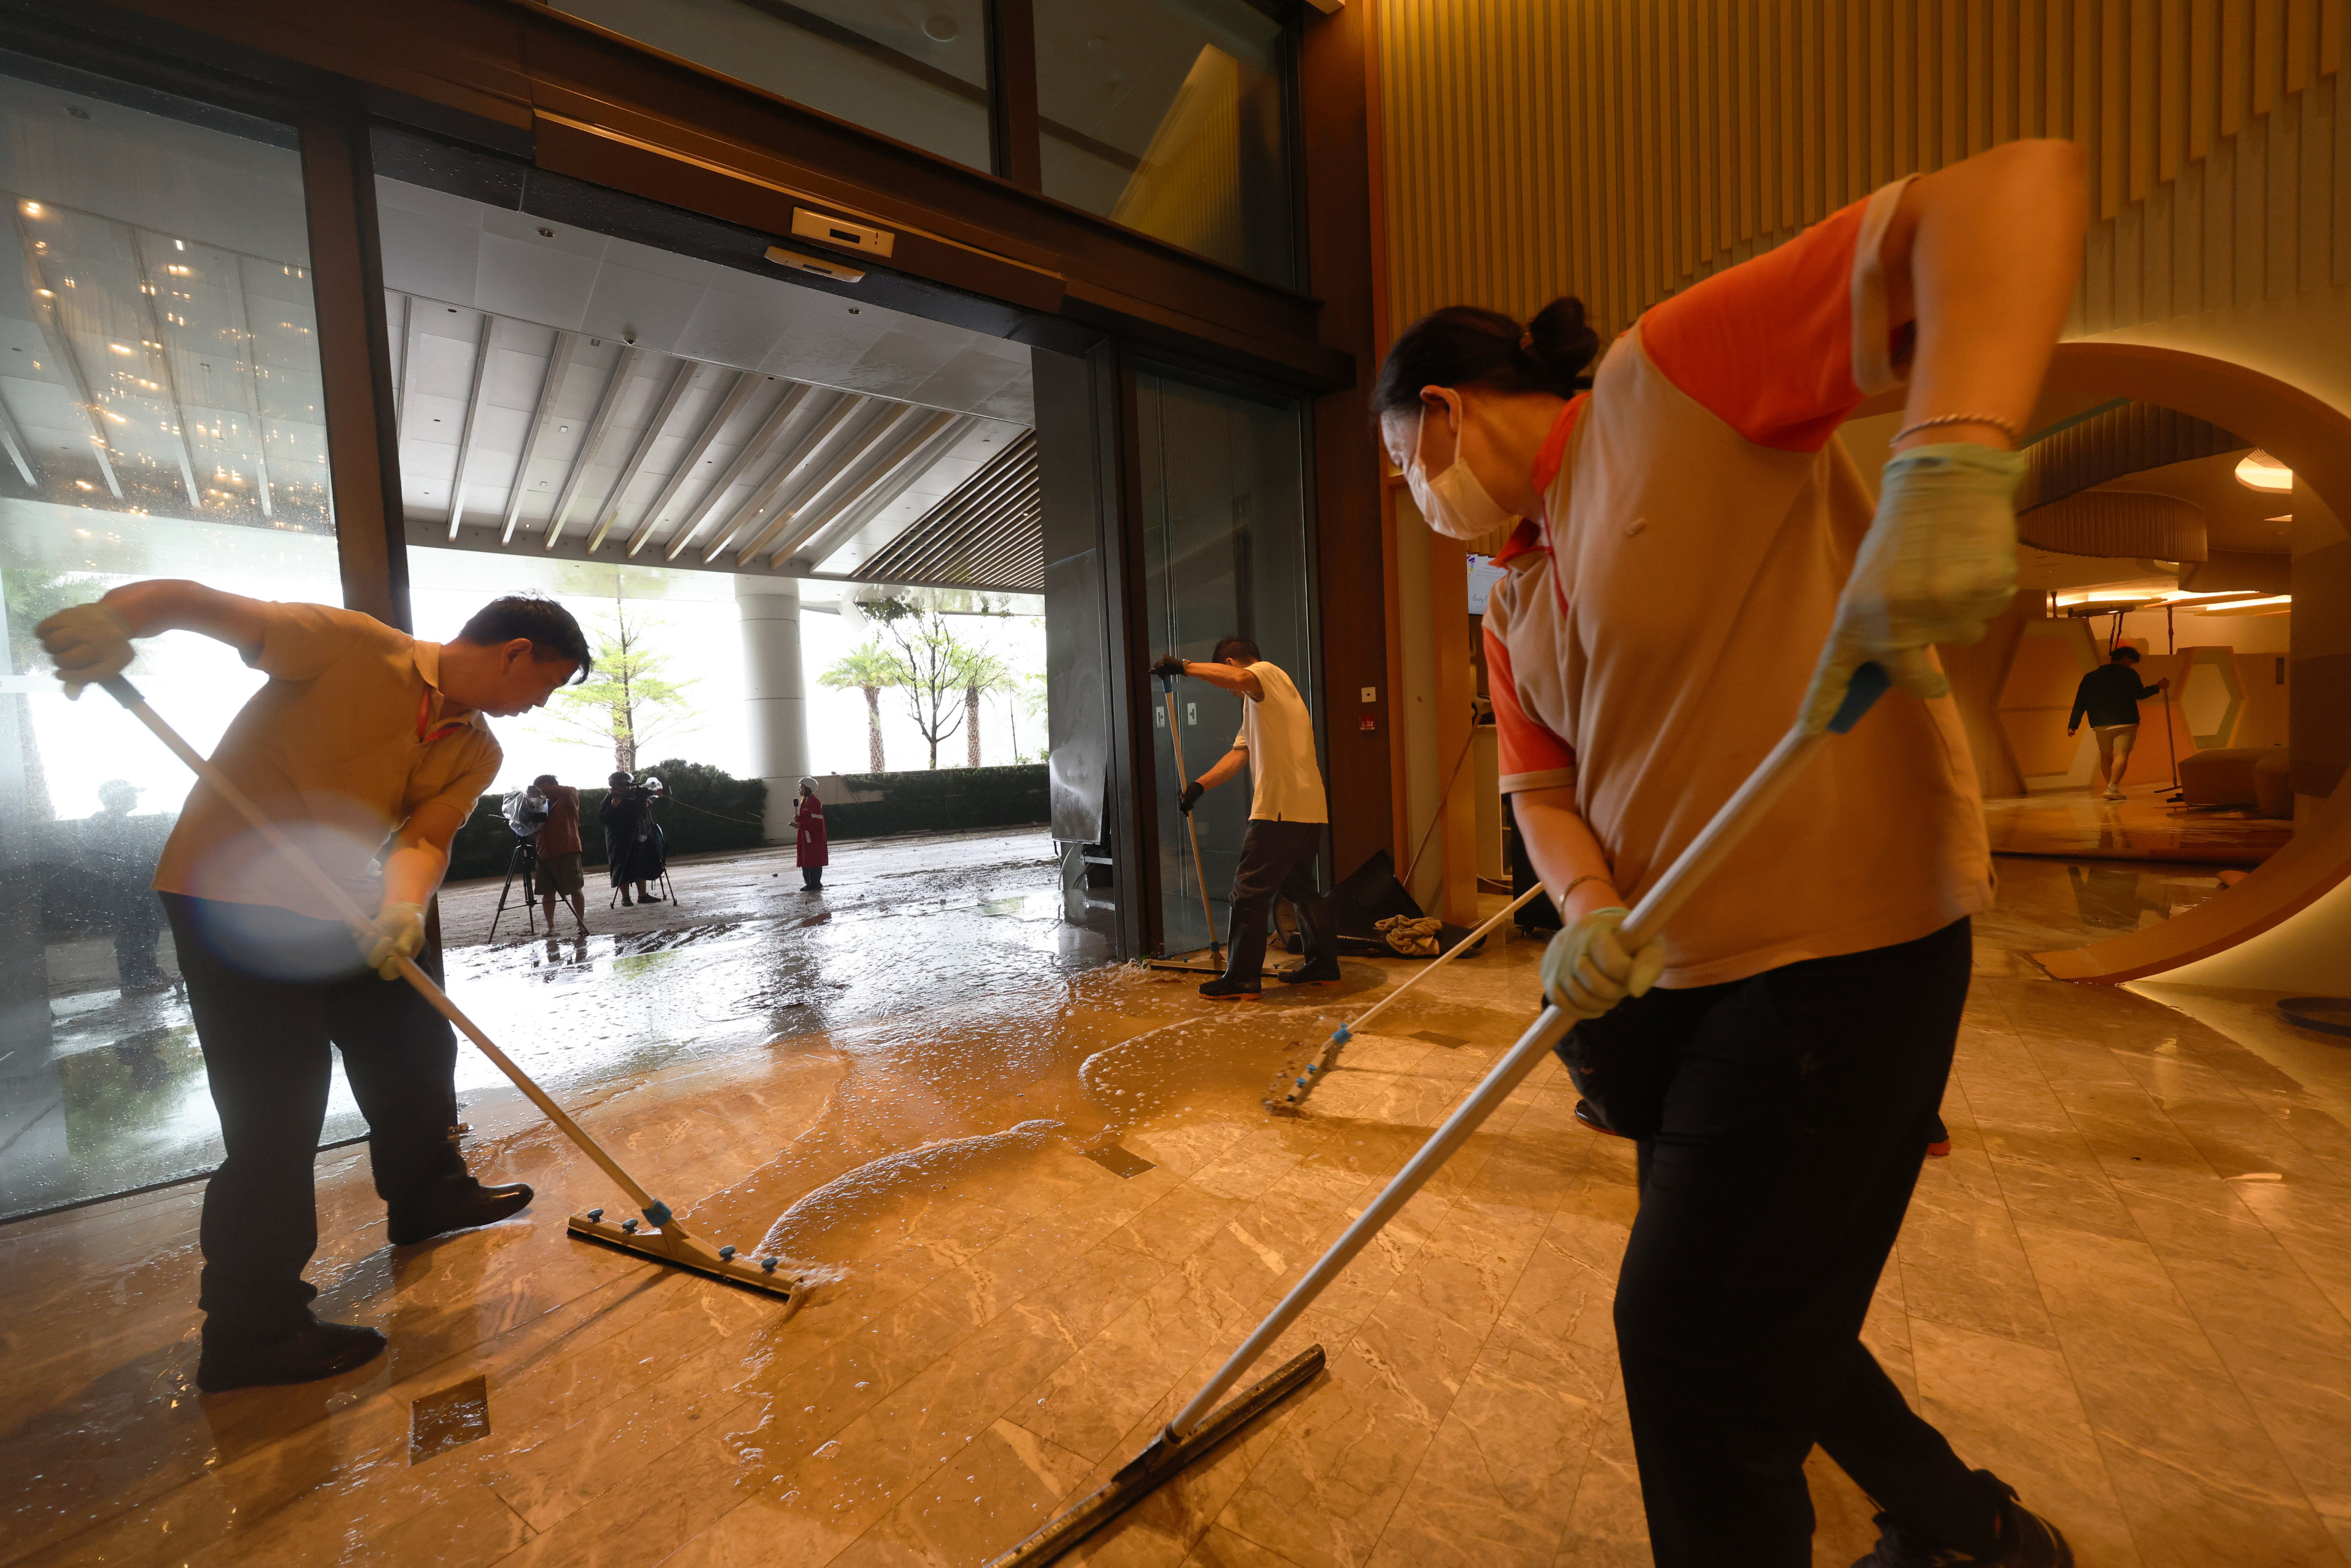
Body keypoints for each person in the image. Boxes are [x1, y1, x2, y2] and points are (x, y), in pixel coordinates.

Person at [1374, 141, 2085, 1566]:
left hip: (1839, 966)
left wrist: (1951, 452)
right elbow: (1543, 789)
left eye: (1403, 464)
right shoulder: (1515, 593)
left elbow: (2015, 193)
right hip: (1673, 993)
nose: (1414, 497)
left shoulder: (1667, 382)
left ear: (1442, 413)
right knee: (1758, 1308)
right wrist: (1581, 910)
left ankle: (1969, 1531)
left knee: (1691, 1345)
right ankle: (1969, 1528)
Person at [36, 586, 590, 1392]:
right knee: (276, 1111)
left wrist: (403, 905)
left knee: (412, 1036)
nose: (536, 704)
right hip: (229, 899)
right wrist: (115, 619)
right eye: (542, 685)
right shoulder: (351, 646)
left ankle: (426, 1193)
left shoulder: (477, 749)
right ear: (515, 652)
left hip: (336, 898)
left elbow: (428, 834)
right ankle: (252, 1332)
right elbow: (192, 603)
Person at [1150, 639, 1340, 1000]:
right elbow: (1240, 754)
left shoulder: (1266, 674)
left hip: (1280, 809)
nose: (1233, 691)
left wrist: (1185, 667)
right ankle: (1323, 964)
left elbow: (1237, 678)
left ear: (1234, 662)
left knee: (1249, 892)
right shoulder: (1262, 706)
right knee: (1300, 888)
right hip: (1307, 810)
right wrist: (1199, 786)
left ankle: (1242, 978)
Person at [83, 778, 169, 992]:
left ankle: (147, 973)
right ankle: (135, 980)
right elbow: (102, 859)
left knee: (146, 928)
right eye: (130, 793)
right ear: (116, 798)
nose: (135, 797)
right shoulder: (102, 823)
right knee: (132, 930)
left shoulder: (119, 822)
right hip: (123, 888)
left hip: (134, 887)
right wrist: (124, 875)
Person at [2066, 646, 2168, 801]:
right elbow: (2138, 694)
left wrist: (2073, 724)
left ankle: (2112, 787)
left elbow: (2081, 701)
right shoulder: (2128, 673)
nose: (2131, 665)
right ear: (2126, 658)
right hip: (2125, 721)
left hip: (2100, 723)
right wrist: (2157, 687)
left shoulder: (2090, 677)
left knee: (2106, 756)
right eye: (2131, 662)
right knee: (2121, 754)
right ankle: (2112, 788)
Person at [532, 773, 587, 933]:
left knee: (575, 889)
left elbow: (571, 790)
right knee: (547, 892)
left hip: (568, 849)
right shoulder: (538, 805)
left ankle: (580, 924)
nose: (541, 791)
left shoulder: (568, 798)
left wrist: (547, 790)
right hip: (544, 852)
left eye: (543, 787)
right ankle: (551, 926)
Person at [602, 771, 666, 906]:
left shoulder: (632, 798)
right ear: (617, 785)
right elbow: (604, 819)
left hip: (635, 836)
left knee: (639, 863)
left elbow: (638, 815)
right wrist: (613, 807)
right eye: (626, 784)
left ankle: (642, 895)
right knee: (620, 867)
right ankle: (625, 898)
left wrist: (646, 806)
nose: (629, 787)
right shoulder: (608, 800)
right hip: (617, 840)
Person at [794, 776, 827, 891]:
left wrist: (802, 824)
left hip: (814, 839)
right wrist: (799, 819)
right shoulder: (805, 801)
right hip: (806, 837)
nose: (799, 789)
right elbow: (808, 818)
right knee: (806, 860)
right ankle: (809, 884)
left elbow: (816, 822)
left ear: (808, 788)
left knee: (814, 861)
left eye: (801, 787)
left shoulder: (815, 802)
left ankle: (815, 884)